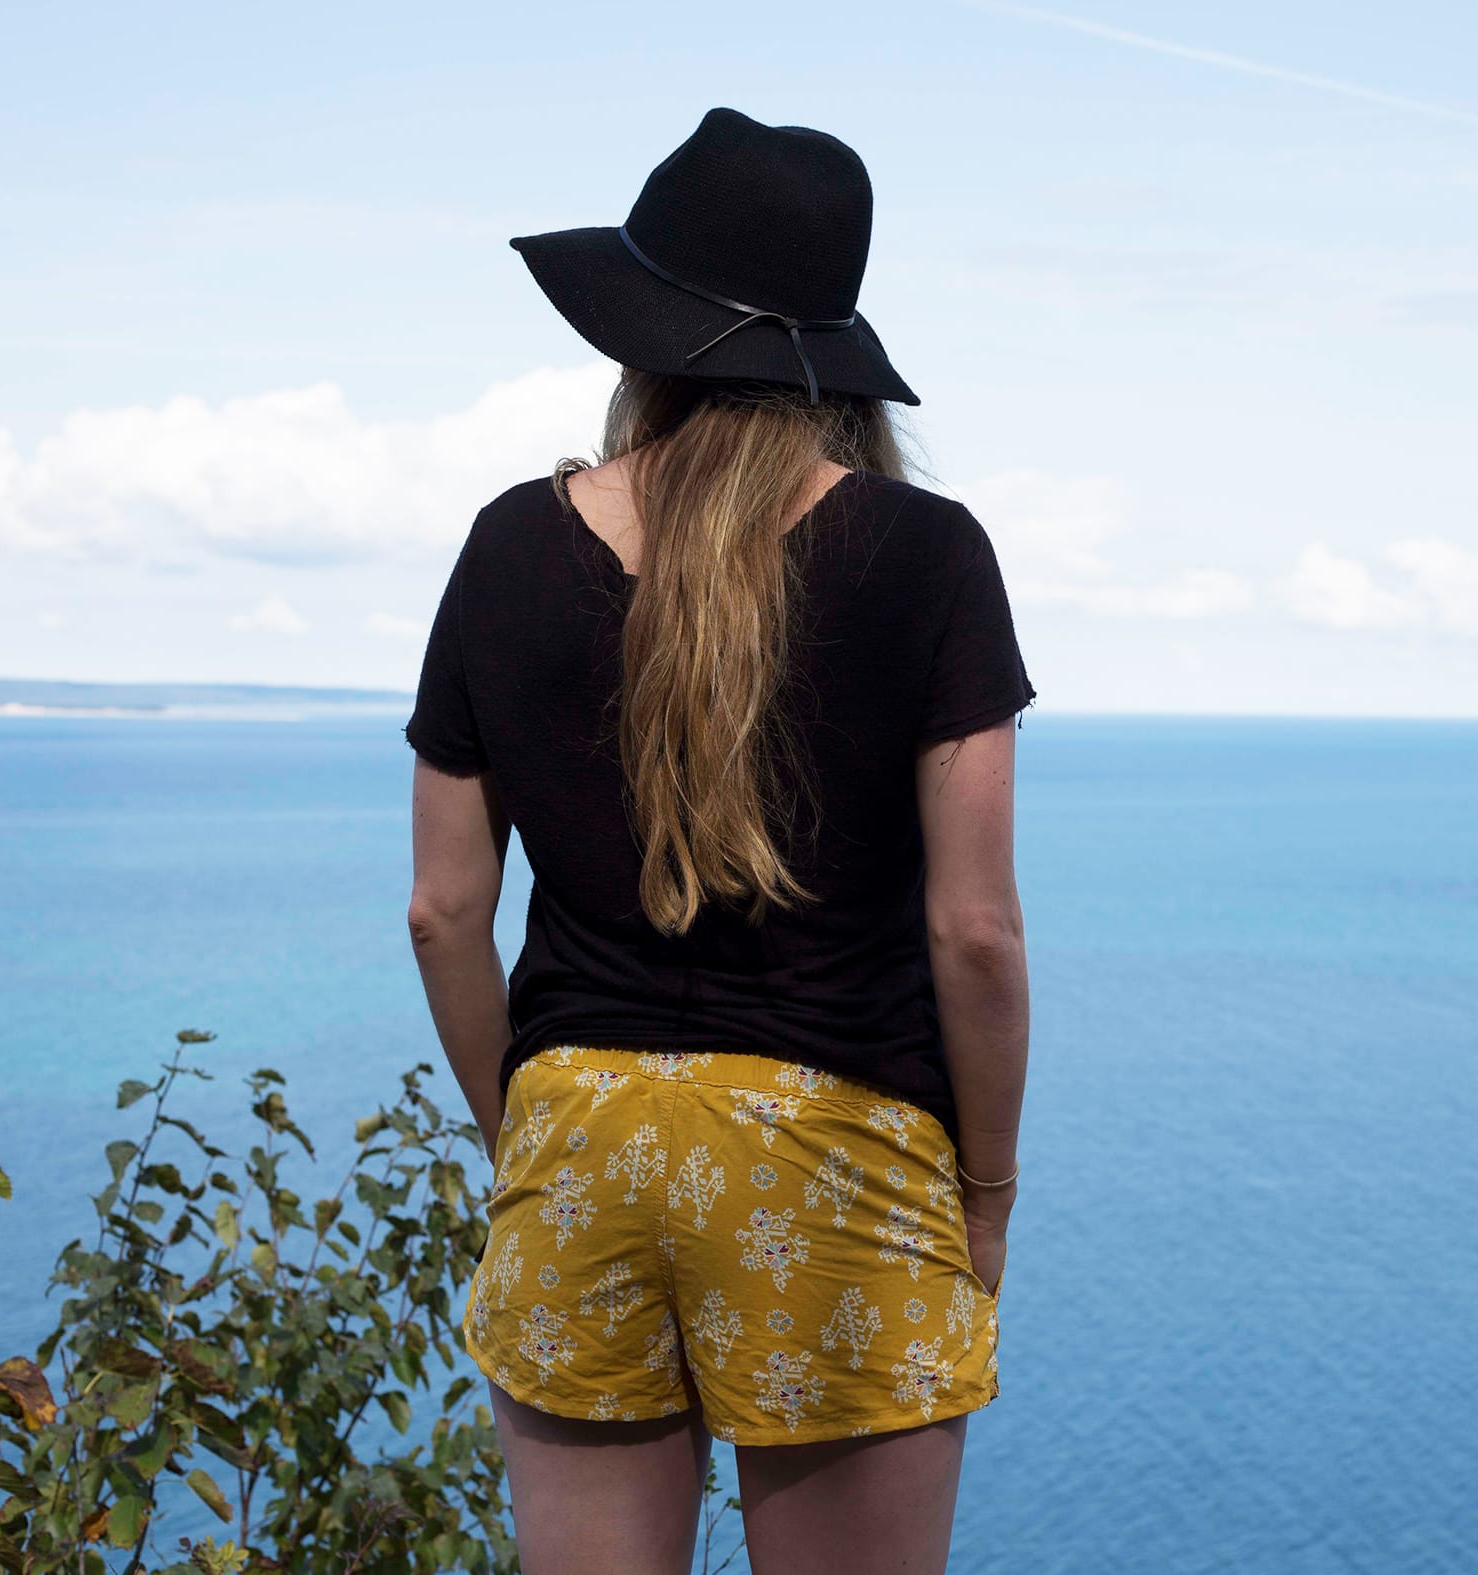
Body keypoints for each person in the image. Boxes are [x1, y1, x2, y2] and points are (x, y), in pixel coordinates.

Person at [402, 107, 1035, 1575]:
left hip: (576, 1137)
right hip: (834, 1158)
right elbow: (976, 931)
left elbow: (444, 911)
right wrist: (985, 1197)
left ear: (642, 335)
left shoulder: (509, 543)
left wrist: (533, 1138)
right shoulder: (929, 556)